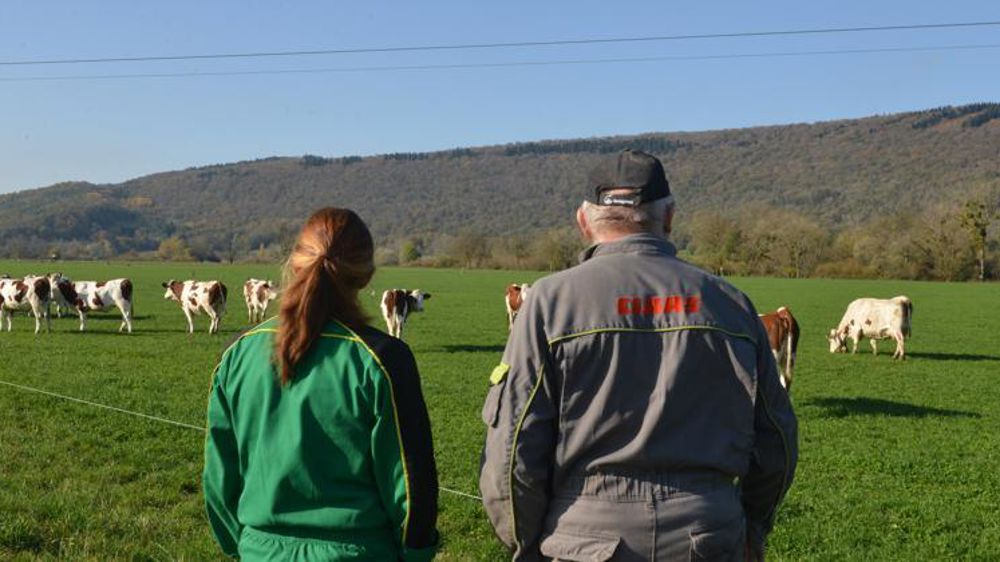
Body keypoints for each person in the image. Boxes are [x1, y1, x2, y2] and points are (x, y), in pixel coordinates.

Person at [479, 149, 797, 561]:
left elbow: (515, 445)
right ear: (669, 217)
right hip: (709, 535)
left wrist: (524, 543)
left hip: (585, 539)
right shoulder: (732, 304)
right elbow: (777, 438)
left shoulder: (548, 303)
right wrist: (750, 526)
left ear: (582, 222)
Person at [204, 207, 439, 561]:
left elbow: (219, 478)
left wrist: (246, 545)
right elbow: (411, 486)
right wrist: (416, 553)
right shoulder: (384, 360)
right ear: (366, 275)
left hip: (260, 551)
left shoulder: (237, 354)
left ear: (295, 262)